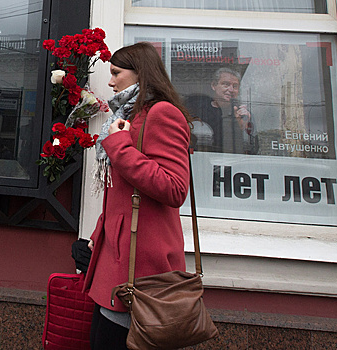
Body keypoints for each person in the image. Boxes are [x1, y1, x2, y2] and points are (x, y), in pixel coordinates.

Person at [84, 42, 192, 350]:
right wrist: (100, 231)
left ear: (140, 74)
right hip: (117, 259)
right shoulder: (131, 115)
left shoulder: (162, 114)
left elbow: (174, 187)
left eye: (116, 72)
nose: (110, 81)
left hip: (140, 271)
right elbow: (123, 192)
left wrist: (119, 146)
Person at [186, 67, 258, 154]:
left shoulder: (243, 113)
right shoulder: (198, 109)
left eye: (235, 86)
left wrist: (244, 128)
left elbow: (254, 148)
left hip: (234, 162)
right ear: (214, 85)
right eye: (226, 84)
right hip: (201, 161)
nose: (231, 90)